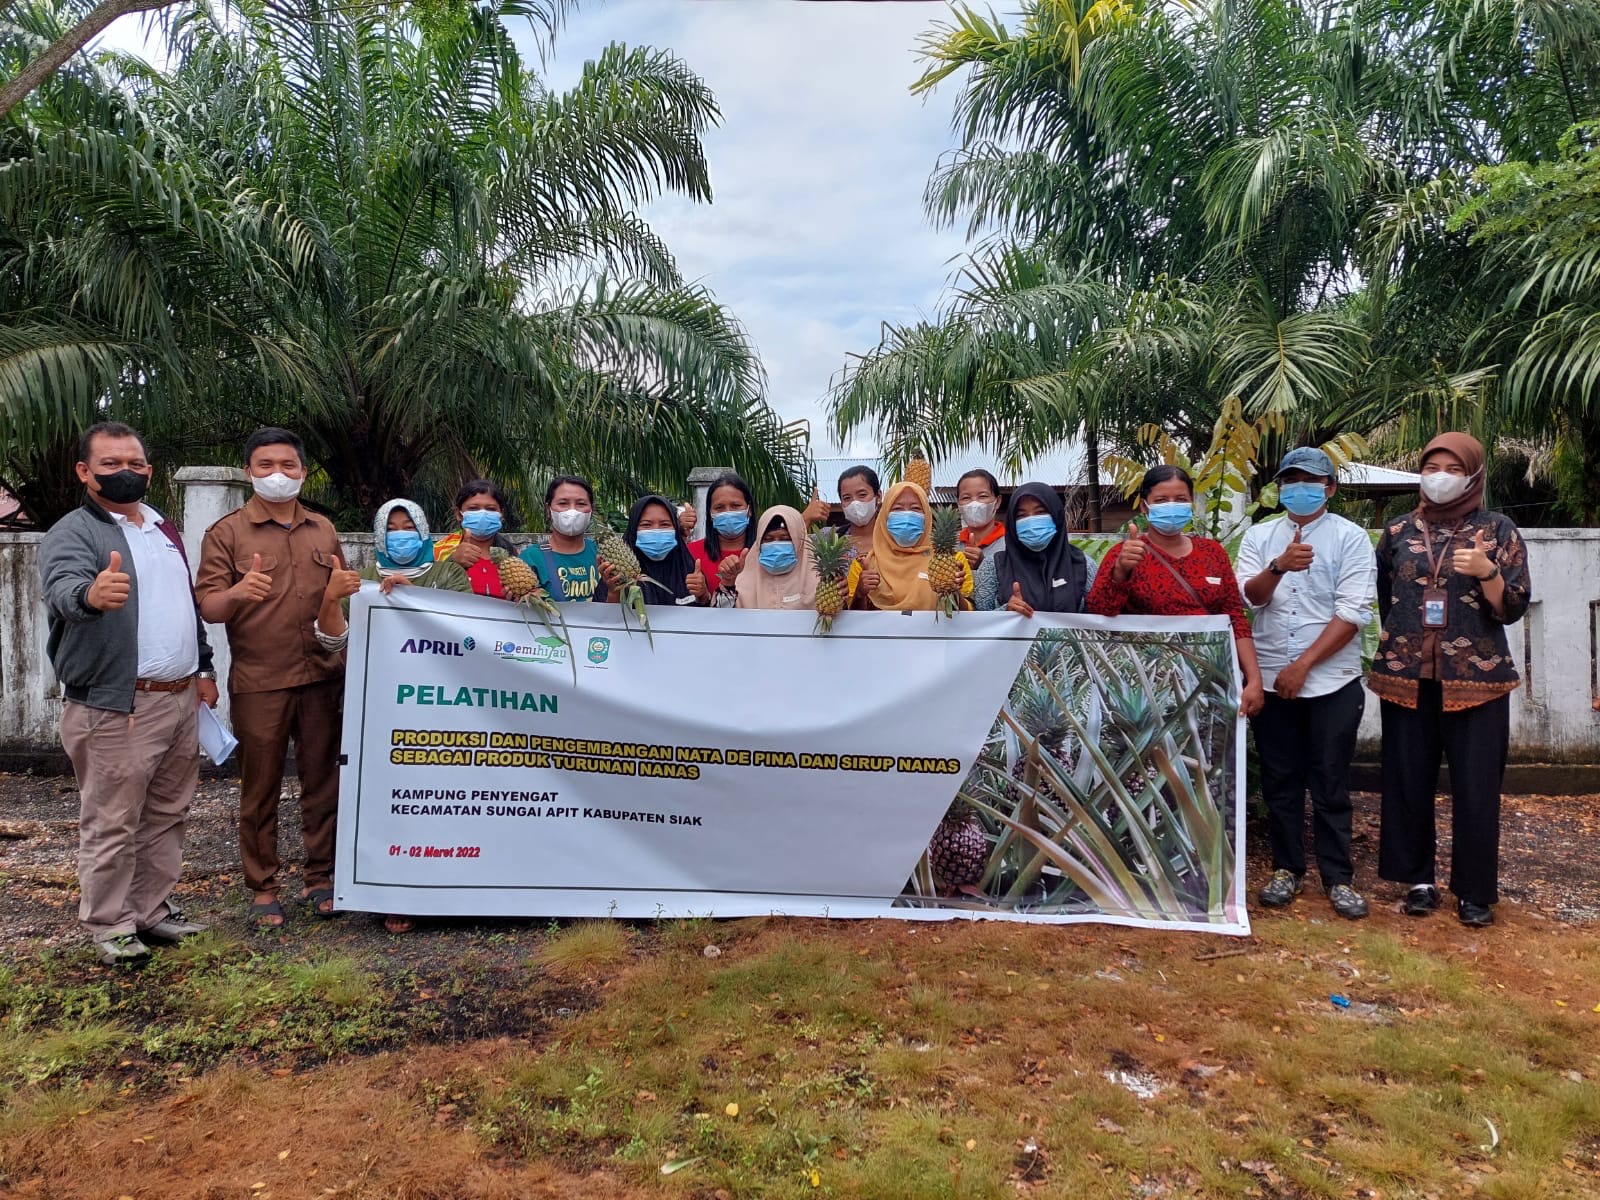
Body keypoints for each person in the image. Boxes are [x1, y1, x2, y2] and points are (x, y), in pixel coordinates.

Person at [39, 422, 219, 965]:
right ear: (85, 472)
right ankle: (110, 924)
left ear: (149, 469)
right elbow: (63, 589)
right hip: (117, 704)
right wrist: (91, 595)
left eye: (135, 463)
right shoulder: (74, 532)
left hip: (180, 697)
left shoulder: (164, 530)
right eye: (111, 463)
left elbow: (184, 606)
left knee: (167, 813)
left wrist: (204, 667)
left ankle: (151, 911)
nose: (125, 472)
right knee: (114, 820)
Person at [195, 427, 360, 930]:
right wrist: (240, 592)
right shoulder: (226, 533)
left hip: (323, 677)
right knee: (260, 788)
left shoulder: (324, 530)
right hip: (260, 681)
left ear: (304, 471)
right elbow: (208, 605)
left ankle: (321, 878)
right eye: (265, 466)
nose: (277, 475)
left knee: (322, 783)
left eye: (288, 466)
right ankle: (263, 886)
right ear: (249, 472)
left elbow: (342, 595)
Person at [1370, 433, 1531, 928]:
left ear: (1474, 474)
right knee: (1406, 781)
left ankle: (1474, 891)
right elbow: (1386, 597)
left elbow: (1514, 608)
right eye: (1431, 466)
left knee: (1477, 786)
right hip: (1406, 676)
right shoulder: (1397, 531)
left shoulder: (1498, 529)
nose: (1440, 476)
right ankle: (1418, 881)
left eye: (1452, 467)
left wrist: (1487, 573)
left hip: (1477, 681)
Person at [313, 497, 467, 934]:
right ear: (379, 535)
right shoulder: (359, 582)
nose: (402, 535)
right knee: (386, 800)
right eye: (392, 528)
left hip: (443, 708)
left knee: (443, 799)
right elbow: (330, 639)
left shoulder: (448, 573)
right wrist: (329, 598)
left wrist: (413, 597)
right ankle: (391, 892)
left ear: (424, 530)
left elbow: (470, 626)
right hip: (378, 709)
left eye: (409, 526)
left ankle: (449, 885)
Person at [1237, 448, 1377, 920]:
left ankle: (1338, 878)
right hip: (1272, 679)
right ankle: (1286, 870)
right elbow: (1248, 601)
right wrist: (1278, 566)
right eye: (1289, 480)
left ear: (1330, 488)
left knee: (1330, 781)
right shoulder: (1260, 536)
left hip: (1331, 681)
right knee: (1280, 780)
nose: (1299, 487)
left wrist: (1303, 666)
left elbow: (1353, 613)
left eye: (1310, 480)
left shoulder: (1351, 538)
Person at [1085, 466, 1265, 717]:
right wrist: (1120, 571)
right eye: (1161, 500)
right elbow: (1099, 613)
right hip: (1147, 680)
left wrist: (1254, 678)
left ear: (1191, 502)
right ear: (1145, 507)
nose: (1172, 506)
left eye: (1180, 499)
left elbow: (1235, 617)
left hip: (1209, 679)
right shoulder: (1125, 553)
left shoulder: (1212, 553)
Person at [847, 481, 974, 611]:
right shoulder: (864, 564)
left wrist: (953, 591)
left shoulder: (953, 562)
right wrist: (860, 593)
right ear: (884, 516)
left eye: (915, 508)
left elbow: (969, 619)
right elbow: (851, 623)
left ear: (927, 516)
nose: (907, 516)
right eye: (897, 509)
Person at [973, 483, 1094, 614]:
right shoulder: (993, 566)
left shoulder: (1083, 565)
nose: (1031, 522)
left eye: (1040, 512)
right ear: (1012, 523)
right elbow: (977, 623)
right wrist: (1005, 612)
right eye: (1021, 515)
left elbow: (1100, 619)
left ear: (1056, 515)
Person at [600, 494, 711, 607]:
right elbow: (602, 619)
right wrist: (614, 592)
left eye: (665, 524)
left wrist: (703, 595)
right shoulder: (617, 572)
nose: (656, 530)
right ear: (633, 530)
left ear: (676, 530)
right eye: (646, 525)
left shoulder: (689, 569)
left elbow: (706, 617)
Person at [434, 480, 519, 597]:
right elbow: (427, 594)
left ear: (501, 514)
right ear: (458, 514)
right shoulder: (439, 551)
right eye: (473, 508)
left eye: (491, 509)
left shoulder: (512, 556)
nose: (483, 514)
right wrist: (452, 562)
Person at [523, 476, 600, 601]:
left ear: (592, 509)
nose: (572, 511)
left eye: (581, 504)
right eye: (563, 503)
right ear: (549, 509)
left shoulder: (602, 554)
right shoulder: (531, 559)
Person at [687, 472, 757, 606]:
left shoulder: (765, 552)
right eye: (719, 508)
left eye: (736, 506)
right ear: (710, 513)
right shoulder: (692, 553)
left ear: (749, 510)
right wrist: (703, 596)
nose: (728, 512)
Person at [735, 506, 818, 610]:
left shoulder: (821, 581)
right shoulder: (743, 583)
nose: (776, 544)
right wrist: (727, 582)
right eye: (768, 539)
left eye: (785, 538)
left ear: (799, 541)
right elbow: (724, 617)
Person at [956, 469, 1006, 570]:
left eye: (982, 496)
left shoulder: (1010, 544)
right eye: (966, 498)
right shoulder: (950, 545)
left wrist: (983, 565)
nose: (974, 504)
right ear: (958, 503)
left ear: (997, 502)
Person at [836, 465, 883, 563]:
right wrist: (807, 518)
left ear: (878, 496)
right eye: (847, 498)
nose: (855, 503)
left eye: (862, 495)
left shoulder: (893, 539)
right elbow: (797, 547)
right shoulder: (830, 538)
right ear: (841, 504)